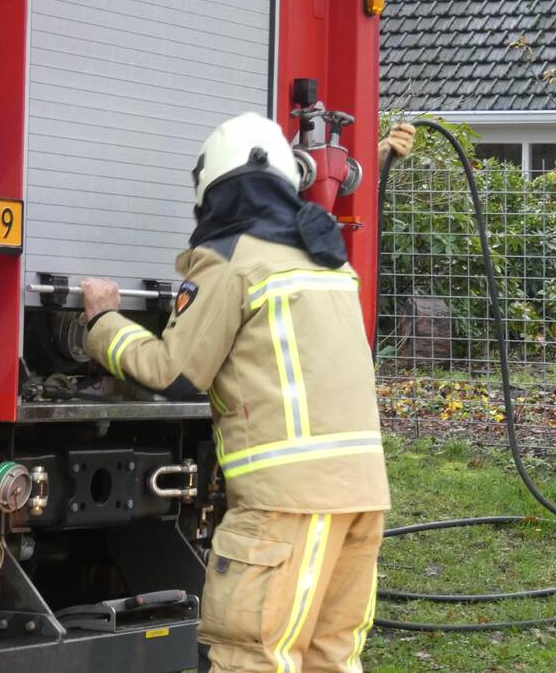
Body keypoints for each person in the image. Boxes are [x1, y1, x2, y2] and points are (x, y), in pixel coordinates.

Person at [81, 112, 392, 672]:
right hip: (363, 497)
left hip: (287, 506)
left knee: (253, 655)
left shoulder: (232, 258)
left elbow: (174, 373)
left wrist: (103, 323)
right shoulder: (328, 263)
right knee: (330, 657)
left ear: (214, 190)